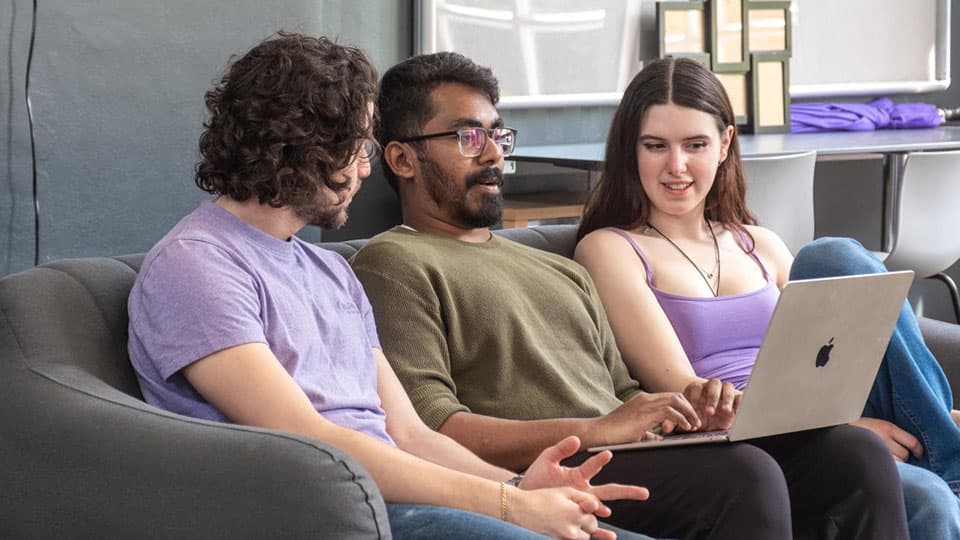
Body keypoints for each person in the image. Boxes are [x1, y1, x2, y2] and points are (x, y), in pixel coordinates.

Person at [350, 50, 909, 539]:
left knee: (852, 456)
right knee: (747, 478)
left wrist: (688, 418)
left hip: (632, 449)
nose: (494, 154)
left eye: (497, 134)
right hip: (566, 463)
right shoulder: (393, 262)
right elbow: (433, 428)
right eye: (468, 137)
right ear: (402, 159)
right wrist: (597, 430)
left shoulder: (555, 269)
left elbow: (622, 390)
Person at [126, 33, 651, 540]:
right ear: (300, 149)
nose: (362, 168)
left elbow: (409, 434)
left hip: (398, 497)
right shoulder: (197, 266)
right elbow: (312, 440)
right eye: (357, 148)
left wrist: (517, 485)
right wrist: (510, 505)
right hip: (327, 509)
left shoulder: (328, 271)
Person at [574, 56, 960, 539]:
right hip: (751, 441)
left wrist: (852, 419)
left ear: (724, 145)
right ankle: (947, 453)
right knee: (929, 501)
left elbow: (838, 350)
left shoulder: (761, 243)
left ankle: (940, 438)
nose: (676, 166)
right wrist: (843, 428)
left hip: (829, 416)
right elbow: (689, 393)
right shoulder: (611, 248)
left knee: (834, 257)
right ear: (631, 150)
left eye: (695, 145)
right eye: (656, 146)